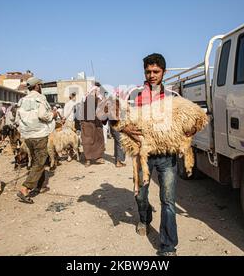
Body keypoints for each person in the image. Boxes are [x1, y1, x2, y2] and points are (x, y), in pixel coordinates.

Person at [122, 53, 188, 257]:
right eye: (148, 71)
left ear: (163, 72)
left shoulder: (173, 97)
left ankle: (168, 246)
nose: (152, 75)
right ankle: (144, 218)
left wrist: (183, 137)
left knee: (168, 200)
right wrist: (127, 129)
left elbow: (187, 123)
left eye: (156, 71)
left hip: (167, 157)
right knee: (141, 195)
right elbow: (119, 119)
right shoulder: (133, 95)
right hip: (142, 156)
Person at [15, 77, 57, 204]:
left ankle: (39, 186)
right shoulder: (40, 98)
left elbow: (17, 119)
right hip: (39, 135)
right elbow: (42, 115)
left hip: (27, 136)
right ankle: (25, 188)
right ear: (37, 86)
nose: (41, 87)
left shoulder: (22, 100)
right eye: (40, 85)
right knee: (40, 161)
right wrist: (53, 115)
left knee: (36, 161)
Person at [80, 85, 106, 167]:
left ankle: (98, 157)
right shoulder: (86, 98)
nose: (96, 93)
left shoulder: (100, 99)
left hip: (97, 123)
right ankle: (88, 159)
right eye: (95, 91)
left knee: (99, 139)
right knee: (87, 141)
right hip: (87, 123)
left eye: (97, 91)